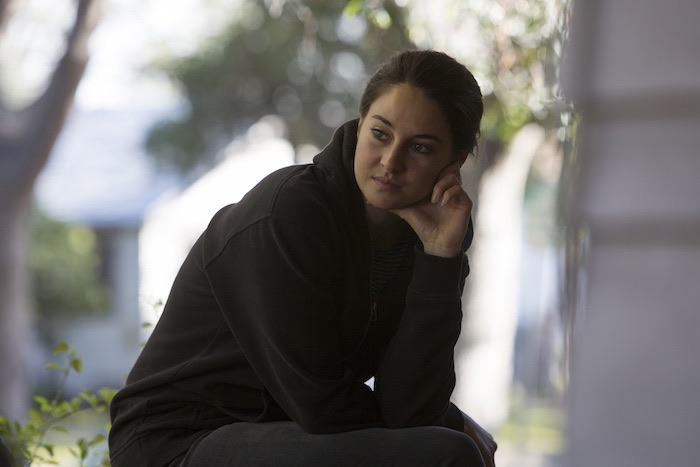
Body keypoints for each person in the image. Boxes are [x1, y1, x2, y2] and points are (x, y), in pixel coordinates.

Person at [109, 49, 497, 466]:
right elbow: (323, 406)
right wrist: (449, 424)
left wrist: (439, 258)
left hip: (278, 430)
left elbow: (411, 414)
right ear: (360, 125)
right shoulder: (288, 215)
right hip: (177, 441)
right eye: (380, 134)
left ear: (454, 162)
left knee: (444, 449)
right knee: (447, 454)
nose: (391, 162)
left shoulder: (436, 238)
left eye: (419, 147)